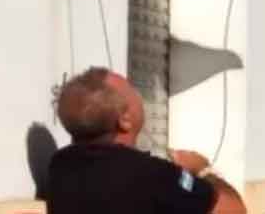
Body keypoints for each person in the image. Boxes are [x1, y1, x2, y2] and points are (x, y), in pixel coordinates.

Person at [46, 67, 247, 214]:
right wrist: (203, 170)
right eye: (133, 92)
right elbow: (234, 210)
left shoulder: (60, 168)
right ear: (124, 120)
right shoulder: (153, 174)